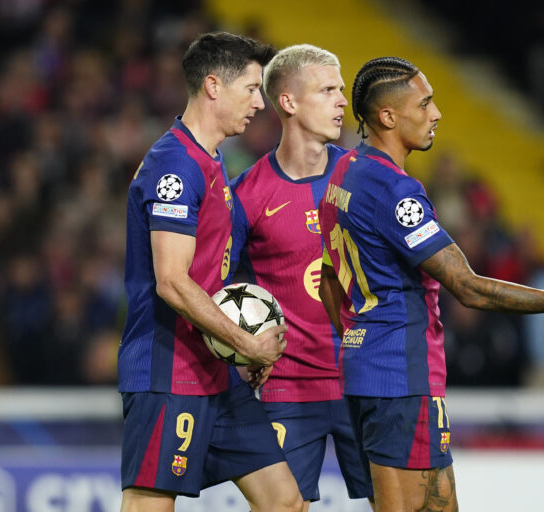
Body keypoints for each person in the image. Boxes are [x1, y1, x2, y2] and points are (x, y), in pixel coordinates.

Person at [317, 56, 544, 512]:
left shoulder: (341, 175)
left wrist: (354, 339)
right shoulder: (394, 190)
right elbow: (469, 287)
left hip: (373, 370)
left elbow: (328, 278)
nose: (436, 113)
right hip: (400, 378)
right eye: (424, 104)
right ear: (387, 116)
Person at [117, 32, 302, 512]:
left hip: (216, 371)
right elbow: (172, 281)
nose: (260, 103)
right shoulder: (175, 166)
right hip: (168, 370)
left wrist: (236, 349)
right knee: (149, 505)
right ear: (214, 86)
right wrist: (246, 342)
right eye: (251, 89)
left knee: (286, 502)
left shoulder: (213, 161)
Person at [229, 44, 374, 511]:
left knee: (401, 506)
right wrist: (238, 349)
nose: (342, 101)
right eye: (327, 89)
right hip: (286, 386)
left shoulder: (369, 180)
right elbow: (218, 286)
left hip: (367, 381)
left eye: (341, 89)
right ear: (288, 102)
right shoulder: (246, 195)